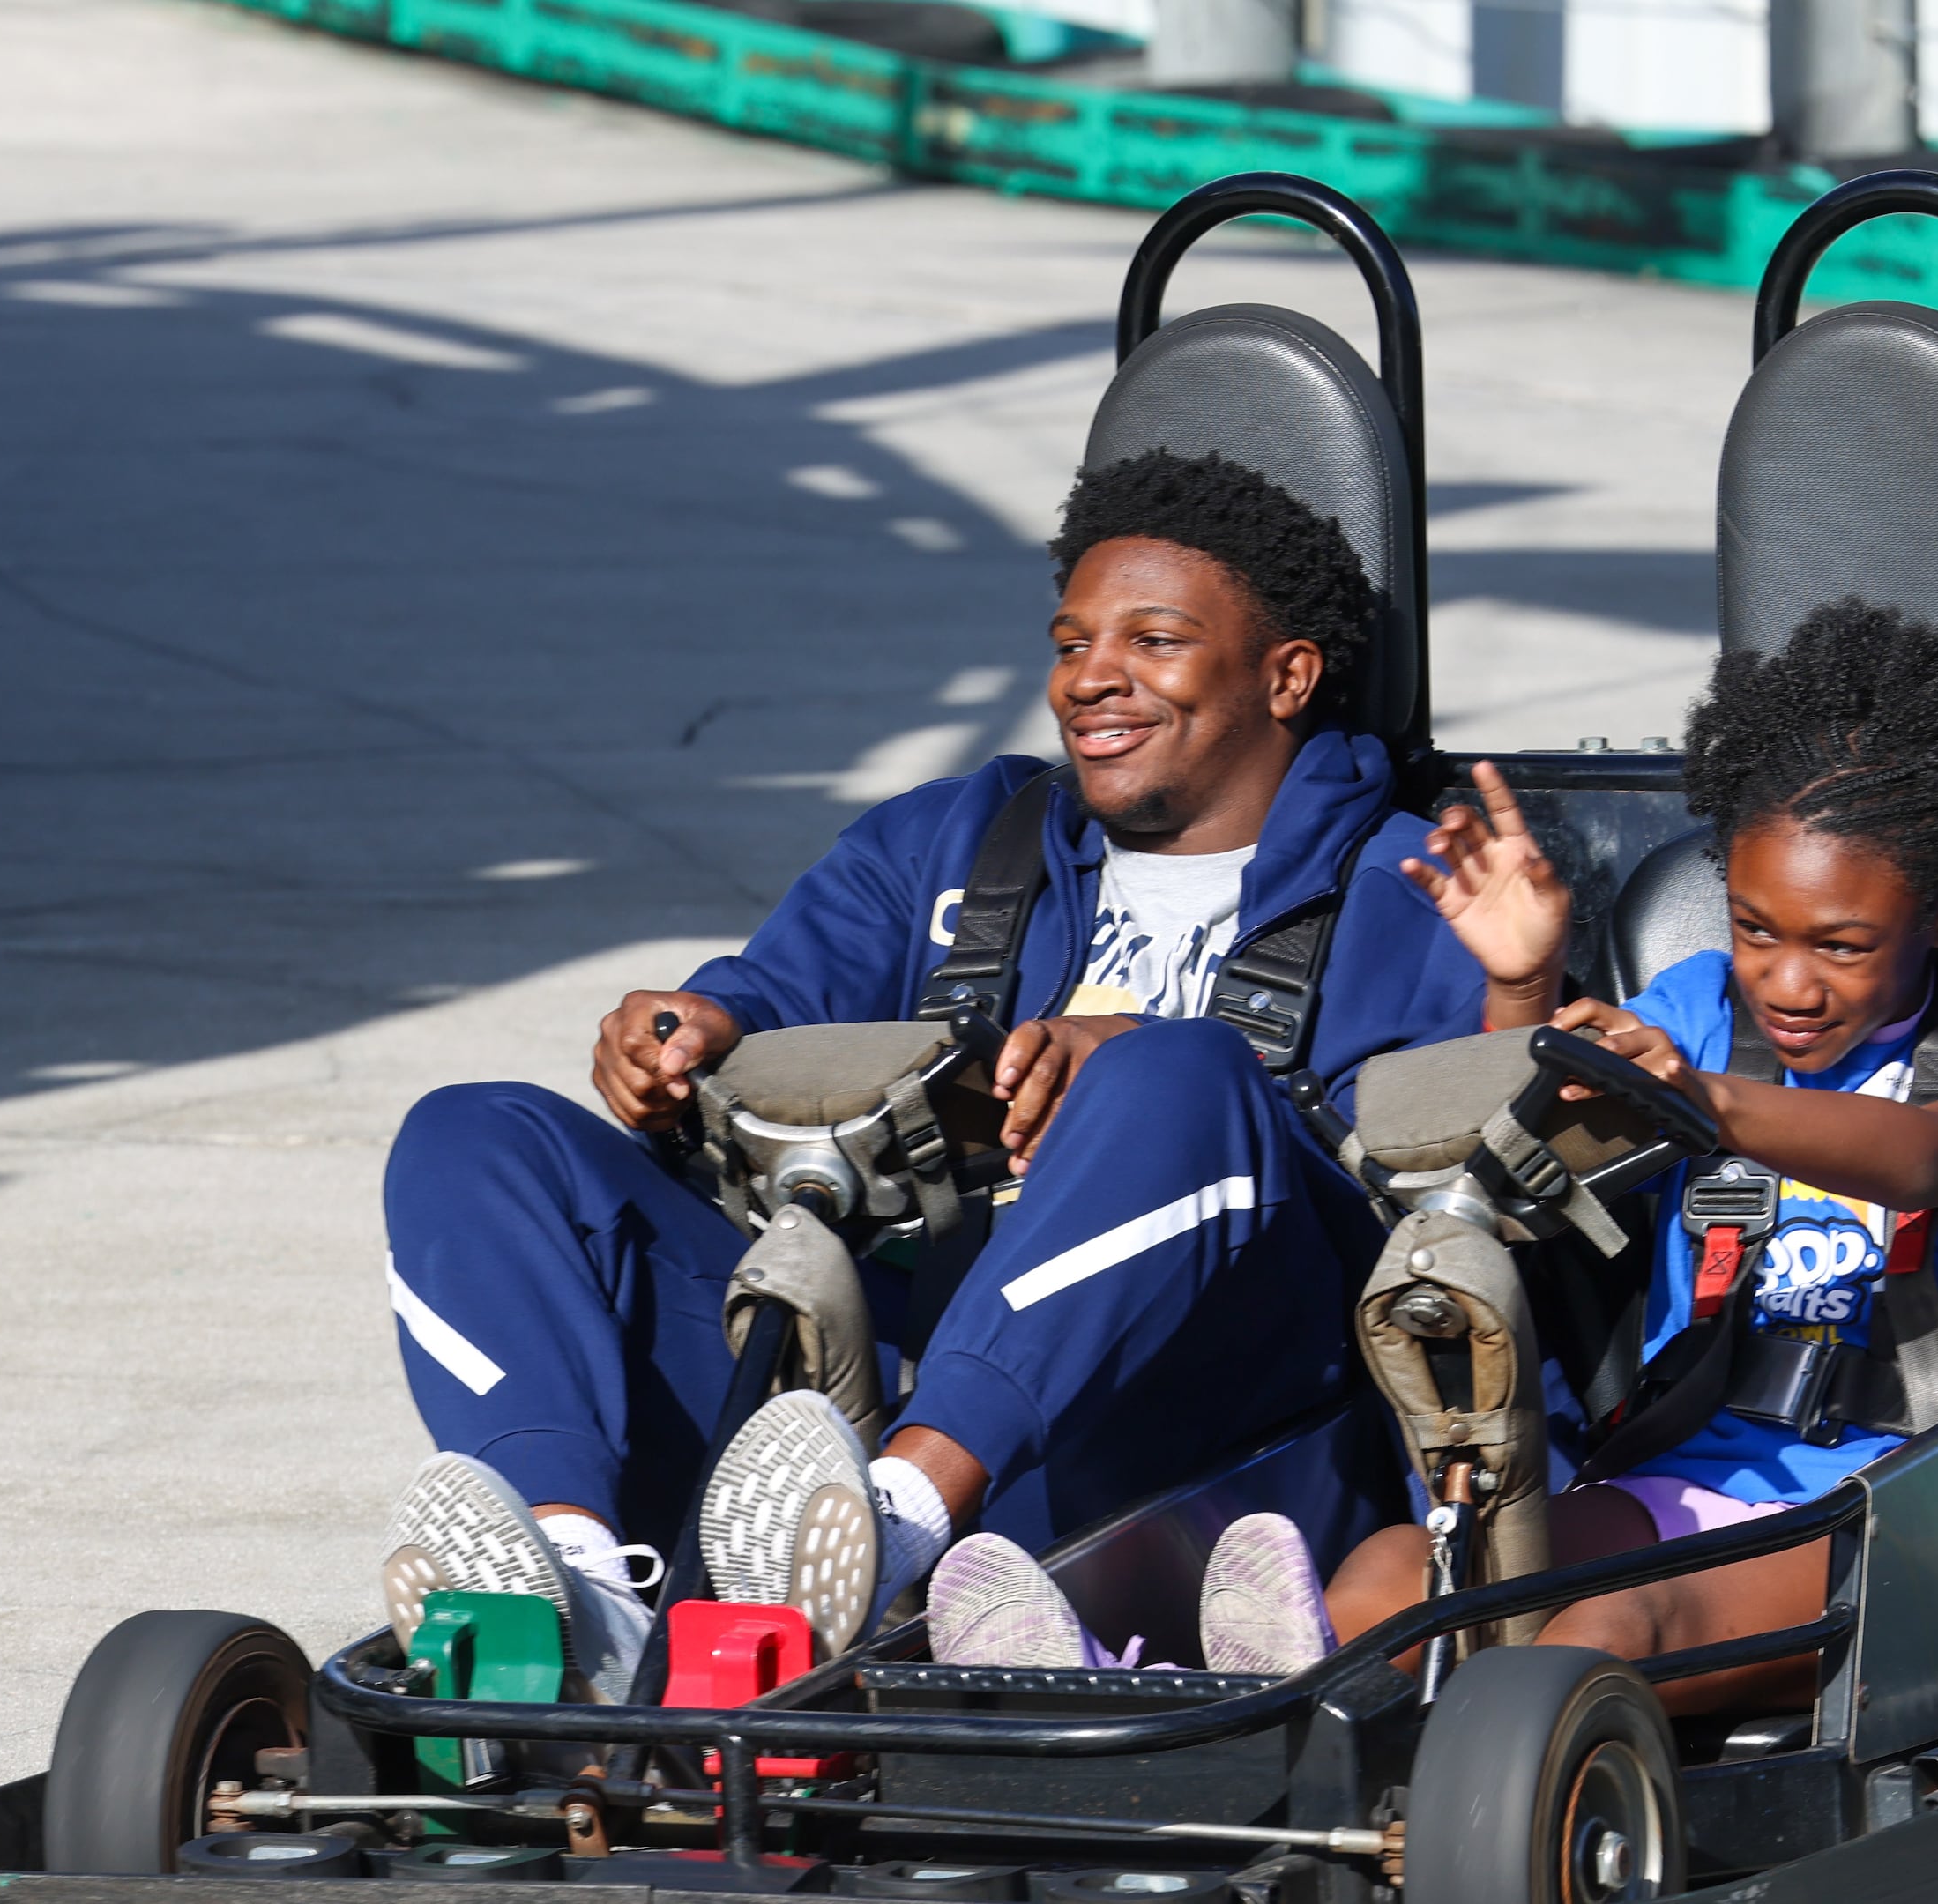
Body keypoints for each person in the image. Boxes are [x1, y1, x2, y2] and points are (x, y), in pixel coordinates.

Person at [372, 450, 1487, 1698]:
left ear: (1287, 675)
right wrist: (693, 1030)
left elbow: (1451, 1212)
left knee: (1174, 1076)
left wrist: (1161, 1081)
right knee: (474, 1136)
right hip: (858, 1394)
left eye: (1154, 639)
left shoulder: (1423, 891)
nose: (1093, 679)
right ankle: (583, 1588)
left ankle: (890, 1536)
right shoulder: (954, 841)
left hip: (1209, 1421)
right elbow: (778, 995)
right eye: (1071, 644)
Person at [915, 599, 1938, 1704]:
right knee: (1393, 1580)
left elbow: (1931, 1159)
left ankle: (1419, 1758)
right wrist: (1523, 986)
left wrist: (1702, 1101)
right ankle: (1139, 1694)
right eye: (1757, 931)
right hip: (1673, 1475)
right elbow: (1526, 1156)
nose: (1791, 982)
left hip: (1909, 1497)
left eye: (1843, 946)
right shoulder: (1707, 1006)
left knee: (1608, 1631)